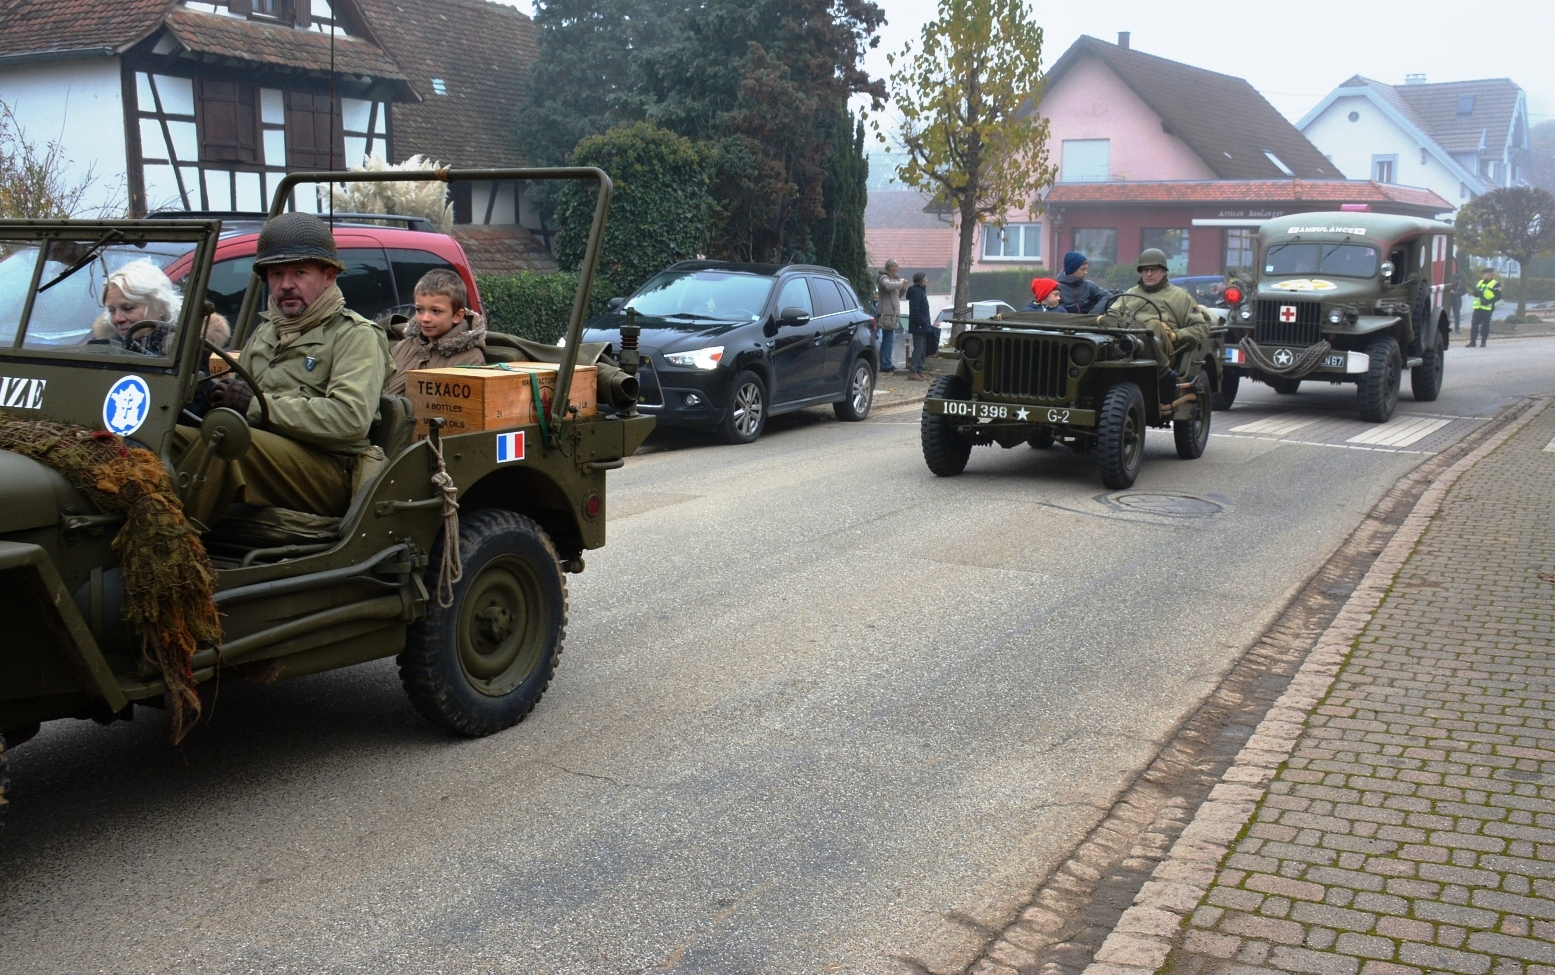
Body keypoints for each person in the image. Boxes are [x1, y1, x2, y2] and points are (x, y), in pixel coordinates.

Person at [173, 211, 394, 530]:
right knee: (168, 438)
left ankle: (170, 552)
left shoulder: (356, 335)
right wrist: (214, 396)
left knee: (225, 444)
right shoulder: (266, 333)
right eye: (276, 274)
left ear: (329, 275)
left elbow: (350, 420)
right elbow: (240, 400)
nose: (286, 285)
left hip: (328, 471)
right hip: (268, 457)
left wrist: (254, 405)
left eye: (300, 272)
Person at [1116, 248, 1211, 407]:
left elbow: (1201, 327)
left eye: (1153, 270)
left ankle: (1164, 375)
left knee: (1154, 325)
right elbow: (1112, 315)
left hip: (1165, 353)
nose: (1149, 274)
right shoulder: (1129, 295)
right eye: (1145, 270)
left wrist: (1175, 335)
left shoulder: (1180, 297)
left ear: (1164, 272)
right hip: (1127, 349)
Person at [90, 259, 229, 354]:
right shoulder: (103, 348)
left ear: (161, 306)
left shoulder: (187, 353)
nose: (117, 318)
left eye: (128, 308)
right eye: (112, 310)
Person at [386, 269, 488, 396]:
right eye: (419, 310)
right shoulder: (402, 347)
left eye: (436, 311)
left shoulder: (470, 359)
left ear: (457, 316)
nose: (425, 318)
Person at [876, 260, 907, 373]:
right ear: (888, 268)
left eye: (896, 267)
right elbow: (888, 286)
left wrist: (903, 287)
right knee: (889, 339)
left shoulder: (894, 280)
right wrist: (900, 283)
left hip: (892, 313)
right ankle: (886, 363)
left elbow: (897, 296)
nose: (894, 269)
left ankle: (884, 362)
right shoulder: (884, 277)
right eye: (892, 267)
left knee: (888, 339)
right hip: (886, 313)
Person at [905, 272, 935, 380]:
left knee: (922, 350)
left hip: (923, 326)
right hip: (919, 327)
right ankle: (913, 371)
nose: (927, 281)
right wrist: (923, 323)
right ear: (921, 281)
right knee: (918, 349)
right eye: (926, 279)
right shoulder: (917, 293)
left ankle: (920, 370)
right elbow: (915, 311)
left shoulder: (921, 292)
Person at [1468, 267, 1501, 348]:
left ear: (1490, 275)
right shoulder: (1480, 282)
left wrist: (1488, 301)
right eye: (1483, 274)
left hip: (1488, 308)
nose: (1483, 276)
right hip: (1478, 307)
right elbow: (1475, 293)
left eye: (1485, 274)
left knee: (1485, 326)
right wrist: (1475, 293)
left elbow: (1498, 296)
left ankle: (1483, 342)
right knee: (1474, 324)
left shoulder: (1495, 284)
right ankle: (1473, 342)